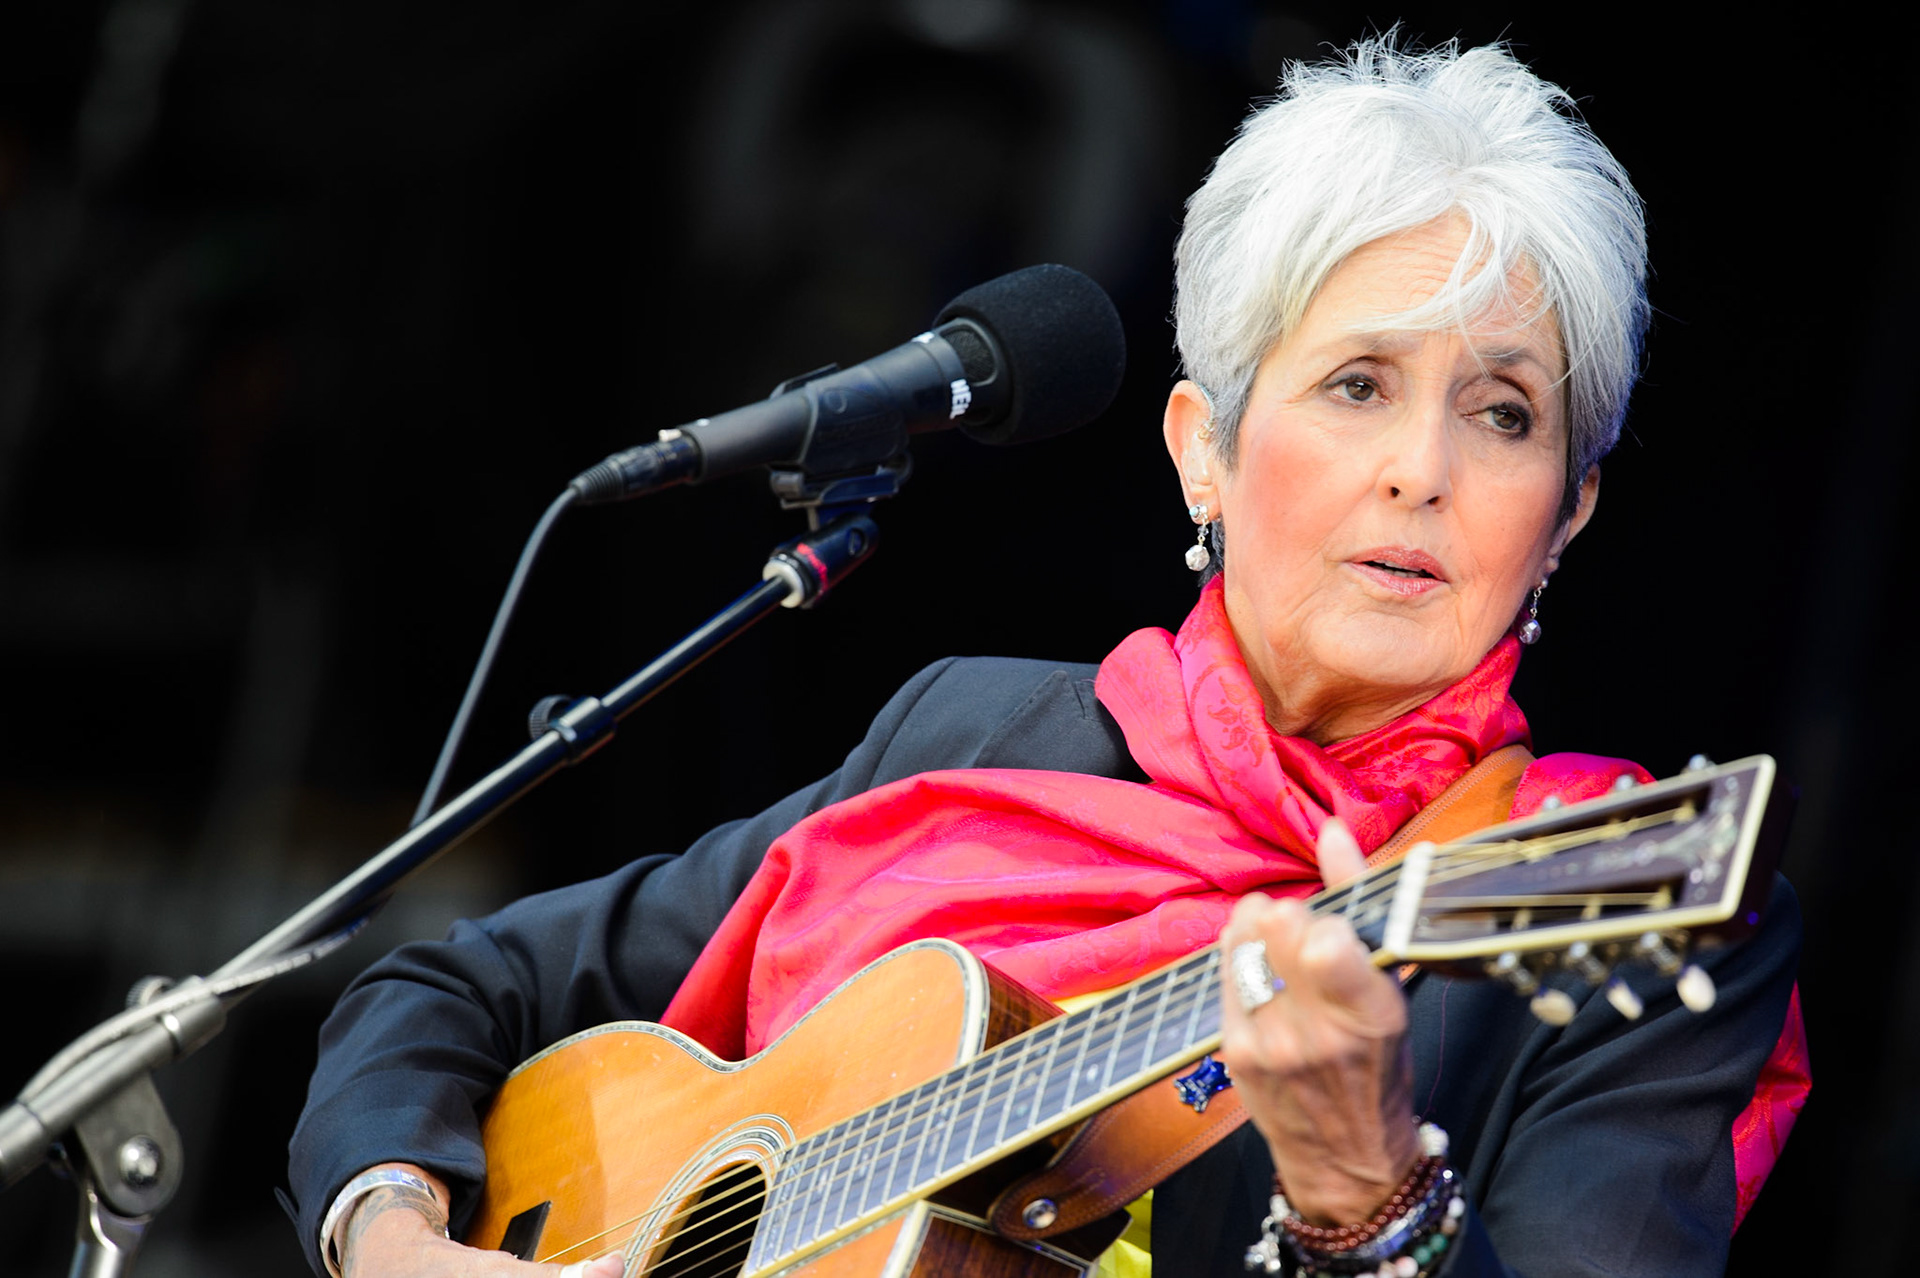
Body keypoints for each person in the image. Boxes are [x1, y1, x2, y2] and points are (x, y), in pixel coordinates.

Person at [289, 37, 1808, 1278]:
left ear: (1565, 517)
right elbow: (451, 981)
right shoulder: (968, 735)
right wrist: (397, 1234)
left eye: (1504, 412)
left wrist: (1368, 1197)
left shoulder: (1587, 896)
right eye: (1357, 382)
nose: (1423, 466)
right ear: (1204, 452)